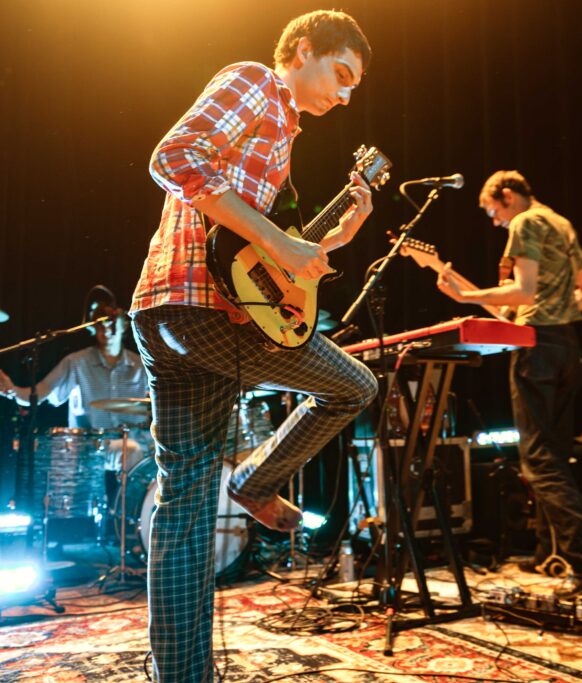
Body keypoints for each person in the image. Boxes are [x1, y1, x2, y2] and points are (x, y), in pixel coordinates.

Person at [128, 11, 377, 681]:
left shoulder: (281, 133)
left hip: (165, 312)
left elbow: (264, 257)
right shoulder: (256, 83)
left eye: (353, 87)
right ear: (303, 50)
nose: (344, 96)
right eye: (341, 75)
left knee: (184, 503)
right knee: (355, 385)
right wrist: (278, 240)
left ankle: (183, 675)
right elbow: (173, 157)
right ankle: (255, 480)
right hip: (204, 309)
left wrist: (336, 236)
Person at [433, 169, 582, 599]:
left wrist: (465, 296)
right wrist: (553, 311)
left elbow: (524, 291)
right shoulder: (560, 223)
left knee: (538, 461)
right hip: (567, 347)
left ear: (508, 195)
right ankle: (547, 551)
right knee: (555, 455)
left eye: (492, 211)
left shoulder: (525, 221)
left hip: (538, 351)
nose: (496, 221)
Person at [0, 302, 151, 472]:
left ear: (124, 325)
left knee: (156, 450)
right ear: (93, 327)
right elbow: (39, 394)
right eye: (100, 324)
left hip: (136, 443)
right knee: (131, 449)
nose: (106, 329)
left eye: (111, 323)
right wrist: (11, 390)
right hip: (90, 445)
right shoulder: (76, 362)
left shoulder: (142, 366)